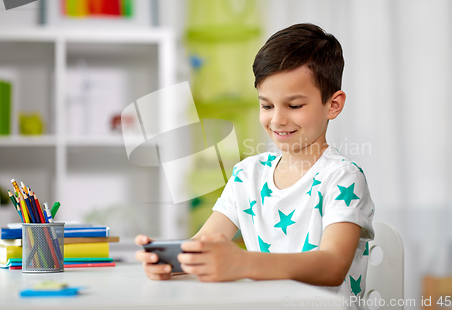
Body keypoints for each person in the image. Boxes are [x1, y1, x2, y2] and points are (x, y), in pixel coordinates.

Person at [135, 23, 375, 307]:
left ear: (333, 105)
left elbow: (332, 266)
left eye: (294, 105)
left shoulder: (343, 177)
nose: (277, 120)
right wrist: (170, 262)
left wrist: (243, 263)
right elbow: (203, 245)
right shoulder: (247, 175)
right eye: (267, 106)